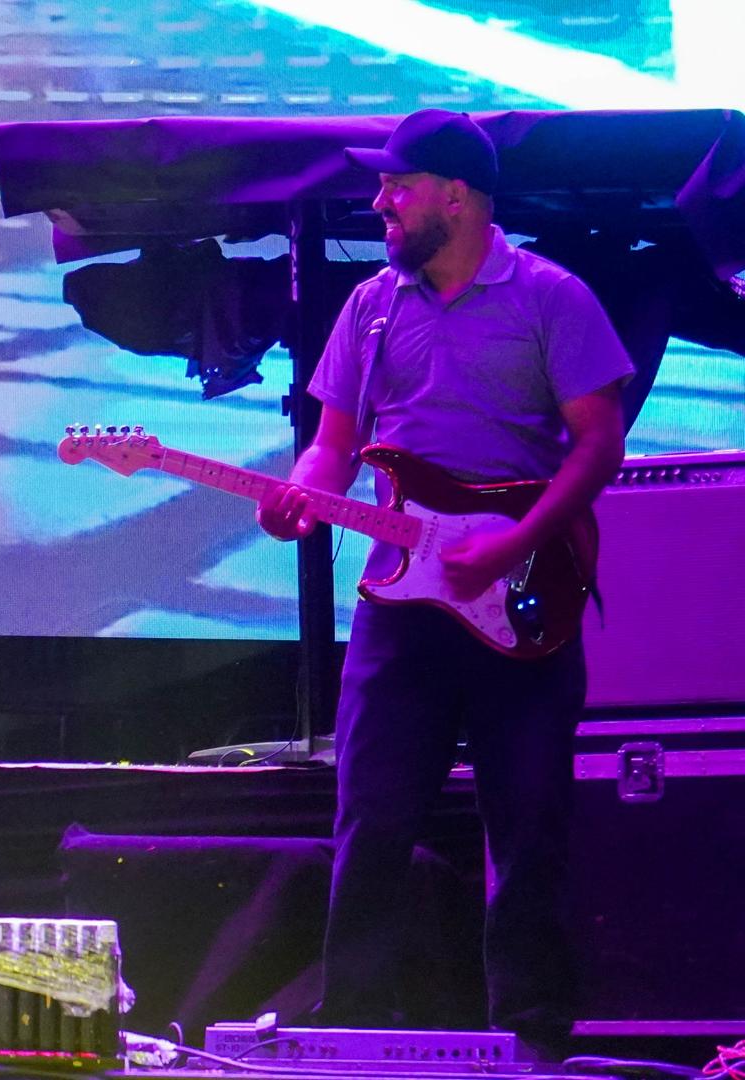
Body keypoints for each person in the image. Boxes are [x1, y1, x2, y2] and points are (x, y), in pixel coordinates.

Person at [257, 110, 631, 1048]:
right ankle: (352, 1034)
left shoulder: (551, 296)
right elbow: (334, 446)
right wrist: (300, 496)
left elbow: (599, 444)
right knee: (371, 816)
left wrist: (514, 543)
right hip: (401, 602)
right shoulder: (371, 306)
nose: (380, 201)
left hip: (526, 592)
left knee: (529, 824)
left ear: (455, 197)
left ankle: (533, 1038)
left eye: (399, 185)